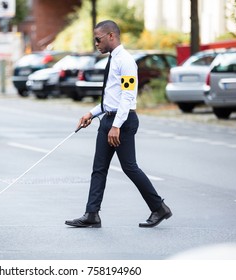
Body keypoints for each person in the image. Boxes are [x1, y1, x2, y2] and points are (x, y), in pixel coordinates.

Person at [65, 20, 172, 228]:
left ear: (111, 36)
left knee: (130, 167)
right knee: (99, 169)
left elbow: (128, 96)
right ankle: (92, 214)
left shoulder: (126, 61)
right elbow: (111, 99)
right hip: (108, 119)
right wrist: (91, 113)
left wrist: (116, 125)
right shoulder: (113, 59)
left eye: (98, 39)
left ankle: (159, 208)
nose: (96, 43)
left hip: (122, 121)